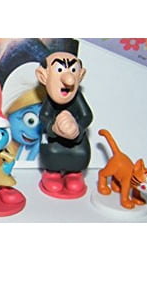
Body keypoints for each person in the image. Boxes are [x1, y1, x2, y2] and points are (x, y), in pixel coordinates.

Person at [35, 52, 93, 198]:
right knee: (51, 152)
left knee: (80, 153)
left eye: (73, 70)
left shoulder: (77, 97)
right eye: (60, 70)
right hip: (54, 140)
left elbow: (87, 116)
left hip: (76, 141)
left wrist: (78, 128)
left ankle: (74, 174)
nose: (68, 79)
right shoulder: (50, 100)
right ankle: (52, 174)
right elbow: (43, 116)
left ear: (80, 75)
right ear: (43, 76)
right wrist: (52, 127)